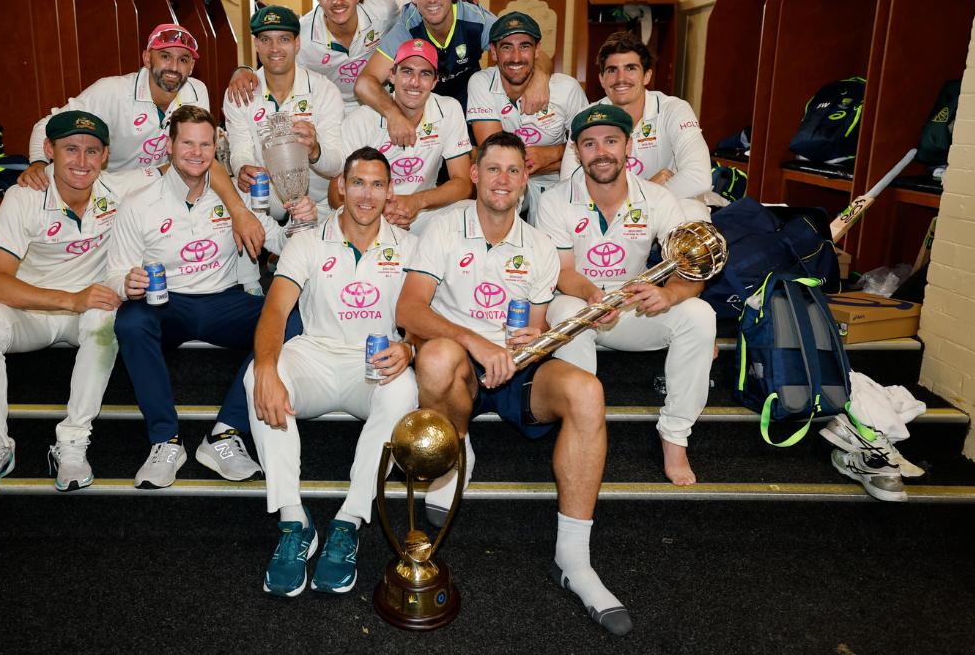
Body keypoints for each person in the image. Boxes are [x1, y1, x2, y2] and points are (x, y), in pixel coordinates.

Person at [395, 131, 631, 636]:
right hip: (461, 364)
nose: (503, 180)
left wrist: (536, 340)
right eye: (493, 169)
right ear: (474, 175)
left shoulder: (541, 246)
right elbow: (409, 310)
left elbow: (539, 328)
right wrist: (476, 342)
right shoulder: (441, 229)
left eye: (513, 170)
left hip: (517, 369)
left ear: (526, 179)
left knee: (588, 391)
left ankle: (573, 559)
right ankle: (456, 449)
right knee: (435, 357)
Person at [107, 106, 312, 488]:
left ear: (216, 147)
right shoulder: (139, 202)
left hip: (223, 300)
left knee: (294, 318)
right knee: (130, 321)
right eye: (187, 142)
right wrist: (127, 283)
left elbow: (280, 242)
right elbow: (116, 273)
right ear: (169, 146)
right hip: (168, 303)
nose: (197, 152)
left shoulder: (233, 198)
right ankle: (164, 439)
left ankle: (224, 433)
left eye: (205, 144)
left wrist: (300, 222)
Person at [245, 147, 418, 597]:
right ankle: (293, 522)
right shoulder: (307, 241)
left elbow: (424, 316)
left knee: (404, 391)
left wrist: (410, 347)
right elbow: (276, 310)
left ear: (389, 191)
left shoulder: (409, 246)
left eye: (377, 184)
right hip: (315, 355)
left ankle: (349, 521)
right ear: (340, 186)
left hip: (374, 363)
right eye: (357, 183)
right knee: (256, 377)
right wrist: (265, 366)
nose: (366, 194)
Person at [538, 105, 716, 486]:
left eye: (611, 141)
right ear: (576, 151)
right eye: (589, 143)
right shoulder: (553, 200)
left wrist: (668, 297)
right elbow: (562, 273)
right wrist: (592, 296)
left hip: (634, 311)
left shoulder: (658, 198)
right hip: (582, 307)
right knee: (567, 307)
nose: (601, 151)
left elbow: (693, 275)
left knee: (701, 315)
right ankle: (582, 427)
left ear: (629, 146)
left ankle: (675, 437)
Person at [0, 111, 130, 502]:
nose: (81, 162)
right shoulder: (24, 196)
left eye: (91, 151)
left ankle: (72, 442)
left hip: (85, 315)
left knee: (106, 317)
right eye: (70, 149)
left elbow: (189, 165)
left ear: (105, 156)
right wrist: (69, 299)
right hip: (31, 313)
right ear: (49, 151)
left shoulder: (118, 190)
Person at [20, 23, 267, 260]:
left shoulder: (196, 91)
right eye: (165, 56)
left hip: (162, 186)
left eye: (183, 60)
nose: (174, 67)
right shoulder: (112, 91)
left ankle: (243, 280)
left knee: (222, 193)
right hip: (112, 189)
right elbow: (47, 125)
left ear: (191, 66)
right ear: (147, 58)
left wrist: (239, 212)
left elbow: (202, 157)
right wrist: (39, 162)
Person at [355, 0, 552, 147]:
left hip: (469, 102)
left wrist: (539, 75)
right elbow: (364, 83)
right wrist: (393, 114)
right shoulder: (407, 27)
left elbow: (533, 53)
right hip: (425, 106)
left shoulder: (477, 20)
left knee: (475, 163)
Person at [560, 31, 712, 220]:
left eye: (630, 68)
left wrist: (635, 200)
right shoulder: (586, 118)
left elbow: (699, 178)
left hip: (661, 211)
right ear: (602, 79)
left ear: (647, 76)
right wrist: (647, 190)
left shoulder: (673, 110)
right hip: (608, 214)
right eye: (612, 70)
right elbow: (568, 186)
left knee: (693, 211)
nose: (620, 78)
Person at [227, 0, 398, 114]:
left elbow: (413, 18)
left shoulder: (384, 9)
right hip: (330, 106)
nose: (337, 1)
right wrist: (243, 70)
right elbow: (276, 63)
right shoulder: (304, 35)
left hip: (379, 98)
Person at [330, 38, 472, 234]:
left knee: (468, 211)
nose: (414, 82)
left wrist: (416, 202)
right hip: (369, 213)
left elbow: (463, 183)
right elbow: (334, 194)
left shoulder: (449, 109)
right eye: (407, 71)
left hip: (421, 212)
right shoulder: (362, 119)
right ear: (392, 75)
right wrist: (378, 212)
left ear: (434, 81)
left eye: (424, 74)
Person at [224, 5, 345, 225]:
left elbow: (337, 164)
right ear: (256, 44)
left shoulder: (323, 90)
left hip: (318, 208)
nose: (274, 49)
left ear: (297, 43)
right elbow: (240, 149)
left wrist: (315, 150)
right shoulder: (239, 92)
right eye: (266, 39)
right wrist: (243, 168)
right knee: (228, 189)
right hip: (265, 205)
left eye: (284, 39)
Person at [467, 11, 586, 222]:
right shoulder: (481, 83)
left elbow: (587, 152)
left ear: (537, 50)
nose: (515, 57)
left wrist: (551, 153)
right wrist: (561, 152)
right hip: (509, 180)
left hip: (559, 181)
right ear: (493, 52)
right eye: (506, 47)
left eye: (524, 46)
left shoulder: (566, 89)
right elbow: (496, 157)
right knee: (496, 200)